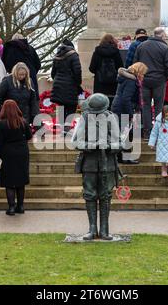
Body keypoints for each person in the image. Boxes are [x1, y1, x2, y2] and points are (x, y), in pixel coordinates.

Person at [72, 93, 121, 241]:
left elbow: (119, 142)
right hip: (90, 163)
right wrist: (92, 145)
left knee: (106, 196)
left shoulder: (111, 118)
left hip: (108, 162)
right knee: (90, 194)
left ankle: (105, 230)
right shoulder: (85, 118)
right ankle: (92, 229)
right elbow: (76, 142)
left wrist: (109, 146)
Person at [0, 100, 33, 215]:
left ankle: (11, 207)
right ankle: (20, 207)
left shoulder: (1, 124)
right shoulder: (23, 122)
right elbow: (29, 136)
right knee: (21, 181)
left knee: (9, 182)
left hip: (7, 154)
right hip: (22, 153)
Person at [133, 27, 168, 139]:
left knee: (146, 105)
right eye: (165, 35)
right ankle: (158, 131)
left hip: (145, 80)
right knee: (158, 106)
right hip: (159, 80)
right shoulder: (164, 48)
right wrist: (167, 77)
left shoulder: (141, 46)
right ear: (161, 36)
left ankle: (147, 131)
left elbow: (135, 64)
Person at [112, 62, 148, 164]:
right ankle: (124, 157)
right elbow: (126, 98)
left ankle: (120, 157)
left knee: (123, 133)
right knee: (127, 134)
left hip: (119, 107)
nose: (143, 76)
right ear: (139, 71)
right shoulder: (131, 81)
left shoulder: (126, 78)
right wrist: (131, 115)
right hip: (124, 109)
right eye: (143, 73)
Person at [50, 39, 83, 134]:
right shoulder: (74, 55)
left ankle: (62, 127)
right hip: (70, 84)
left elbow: (53, 73)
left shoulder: (57, 56)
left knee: (61, 105)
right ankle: (67, 128)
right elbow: (77, 71)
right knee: (71, 105)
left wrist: (57, 79)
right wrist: (78, 83)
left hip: (58, 84)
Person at [89, 34, 124, 107]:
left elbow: (92, 68)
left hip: (99, 83)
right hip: (113, 83)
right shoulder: (116, 52)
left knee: (100, 105)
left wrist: (98, 72)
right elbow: (120, 67)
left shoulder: (97, 52)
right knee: (112, 105)